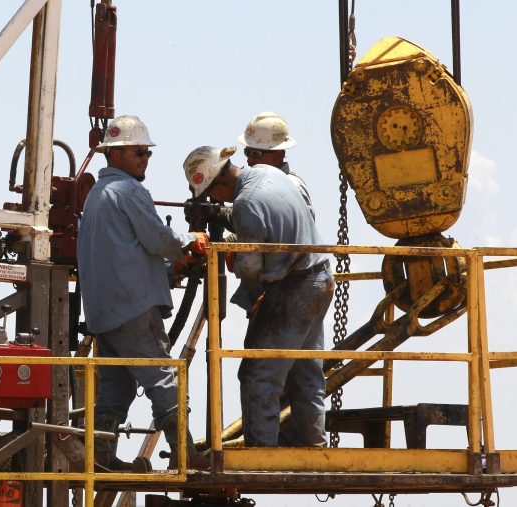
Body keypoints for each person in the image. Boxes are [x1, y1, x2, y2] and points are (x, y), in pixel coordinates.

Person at [77, 115, 210, 470]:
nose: (145, 158)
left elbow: (124, 253)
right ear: (116, 154)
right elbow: (158, 238)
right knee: (163, 376)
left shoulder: (95, 197)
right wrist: (190, 242)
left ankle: (102, 457)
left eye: (147, 153)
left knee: (115, 386)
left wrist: (168, 269)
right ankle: (185, 454)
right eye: (139, 152)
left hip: (103, 314)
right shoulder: (129, 191)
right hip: (134, 308)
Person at [182, 144, 334, 448]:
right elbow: (259, 215)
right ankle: (315, 448)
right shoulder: (266, 174)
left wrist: (225, 255)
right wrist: (221, 215)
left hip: (293, 289)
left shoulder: (247, 203)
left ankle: (261, 453)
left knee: (257, 374)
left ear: (218, 182)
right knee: (305, 373)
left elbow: (250, 266)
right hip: (319, 277)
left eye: (211, 194)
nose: (213, 199)